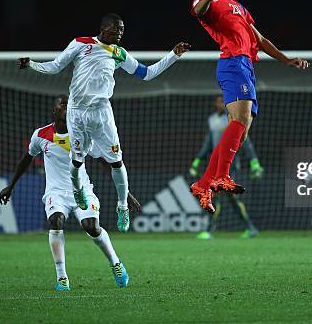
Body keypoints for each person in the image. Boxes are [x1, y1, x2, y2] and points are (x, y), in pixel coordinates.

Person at [18, 13, 189, 232]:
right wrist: (32, 64)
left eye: (122, 30)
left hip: (101, 113)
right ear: (104, 28)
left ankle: (122, 206)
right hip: (77, 112)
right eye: (116, 29)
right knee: (77, 160)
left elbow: (147, 74)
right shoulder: (81, 43)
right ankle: (78, 191)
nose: (120, 33)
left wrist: (173, 56)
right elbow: (56, 66)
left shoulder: (119, 53)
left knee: (116, 161)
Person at [186, 0, 309, 212]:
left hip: (246, 66)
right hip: (232, 63)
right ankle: (220, 176)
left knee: (240, 133)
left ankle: (204, 183)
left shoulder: (237, 6)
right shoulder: (204, 4)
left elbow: (260, 39)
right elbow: (198, 11)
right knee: (239, 121)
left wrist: (286, 59)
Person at [0, 95, 141, 291]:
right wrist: (10, 186)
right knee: (55, 221)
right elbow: (26, 159)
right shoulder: (40, 135)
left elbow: (106, 163)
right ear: (54, 111)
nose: (66, 105)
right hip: (55, 192)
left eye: (69, 103)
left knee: (91, 226)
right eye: (61, 103)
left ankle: (116, 263)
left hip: (82, 189)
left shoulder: (82, 133)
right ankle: (62, 278)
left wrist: (125, 193)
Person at [189, 96, 262, 239]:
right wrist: (197, 161)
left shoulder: (233, 116)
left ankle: (214, 230)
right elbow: (208, 143)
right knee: (221, 197)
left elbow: (244, 141)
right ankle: (246, 227)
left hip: (231, 163)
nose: (221, 104)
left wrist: (254, 161)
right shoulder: (212, 120)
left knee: (221, 196)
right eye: (218, 102)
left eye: (223, 101)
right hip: (215, 163)